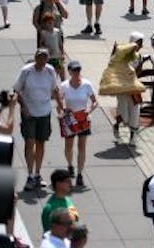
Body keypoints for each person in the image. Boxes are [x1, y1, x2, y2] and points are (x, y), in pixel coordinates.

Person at [14, 48, 66, 191]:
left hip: (44, 111)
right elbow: (17, 90)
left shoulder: (50, 71)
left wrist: (61, 106)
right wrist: (23, 107)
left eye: (45, 58)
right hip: (29, 113)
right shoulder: (26, 71)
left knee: (40, 142)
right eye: (40, 57)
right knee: (29, 142)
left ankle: (38, 173)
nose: (42, 61)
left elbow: (55, 90)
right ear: (36, 58)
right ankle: (30, 175)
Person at [99, 31, 147, 147]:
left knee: (135, 112)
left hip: (133, 88)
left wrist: (142, 63)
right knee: (124, 113)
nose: (140, 46)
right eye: (138, 43)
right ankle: (117, 127)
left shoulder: (139, 56)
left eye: (141, 43)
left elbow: (138, 72)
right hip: (122, 88)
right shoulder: (123, 54)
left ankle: (132, 137)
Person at [59, 60, 99, 187]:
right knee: (68, 147)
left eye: (78, 70)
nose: (77, 73)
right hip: (70, 119)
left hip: (83, 118)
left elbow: (95, 101)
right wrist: (63, 110)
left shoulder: (87, 84)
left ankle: (80, 174)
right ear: (69, 71)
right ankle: (70, 165)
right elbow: (59, 102)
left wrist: (89, 110)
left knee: (82, 147)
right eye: (74, 70)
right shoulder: (64, 85)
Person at [39, 169, 78, 236]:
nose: (70, 184)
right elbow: (48, 233)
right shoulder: (49, 208)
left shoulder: (68, 200)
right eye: (67, 182)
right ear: (58, 184)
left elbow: (75, 219)